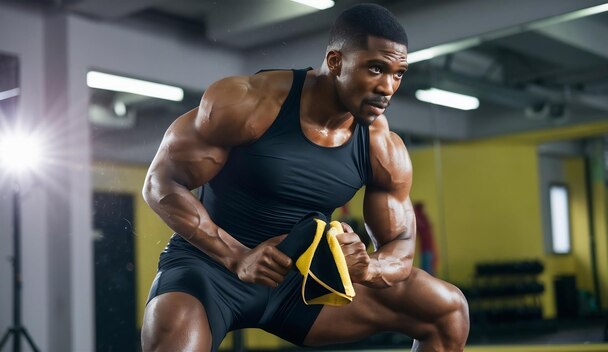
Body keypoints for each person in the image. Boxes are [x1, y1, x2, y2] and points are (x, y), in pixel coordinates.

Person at [141, 4, 469, 352]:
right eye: (375, 68)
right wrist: (236, 257)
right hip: (210, 271)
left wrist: (368, 266)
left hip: (301, 283)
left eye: (398, 73)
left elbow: (401, 245)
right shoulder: (248, 103)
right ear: (335, 61)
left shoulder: (381, 146)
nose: (388, 87)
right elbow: (161, 183)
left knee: (447, 309)